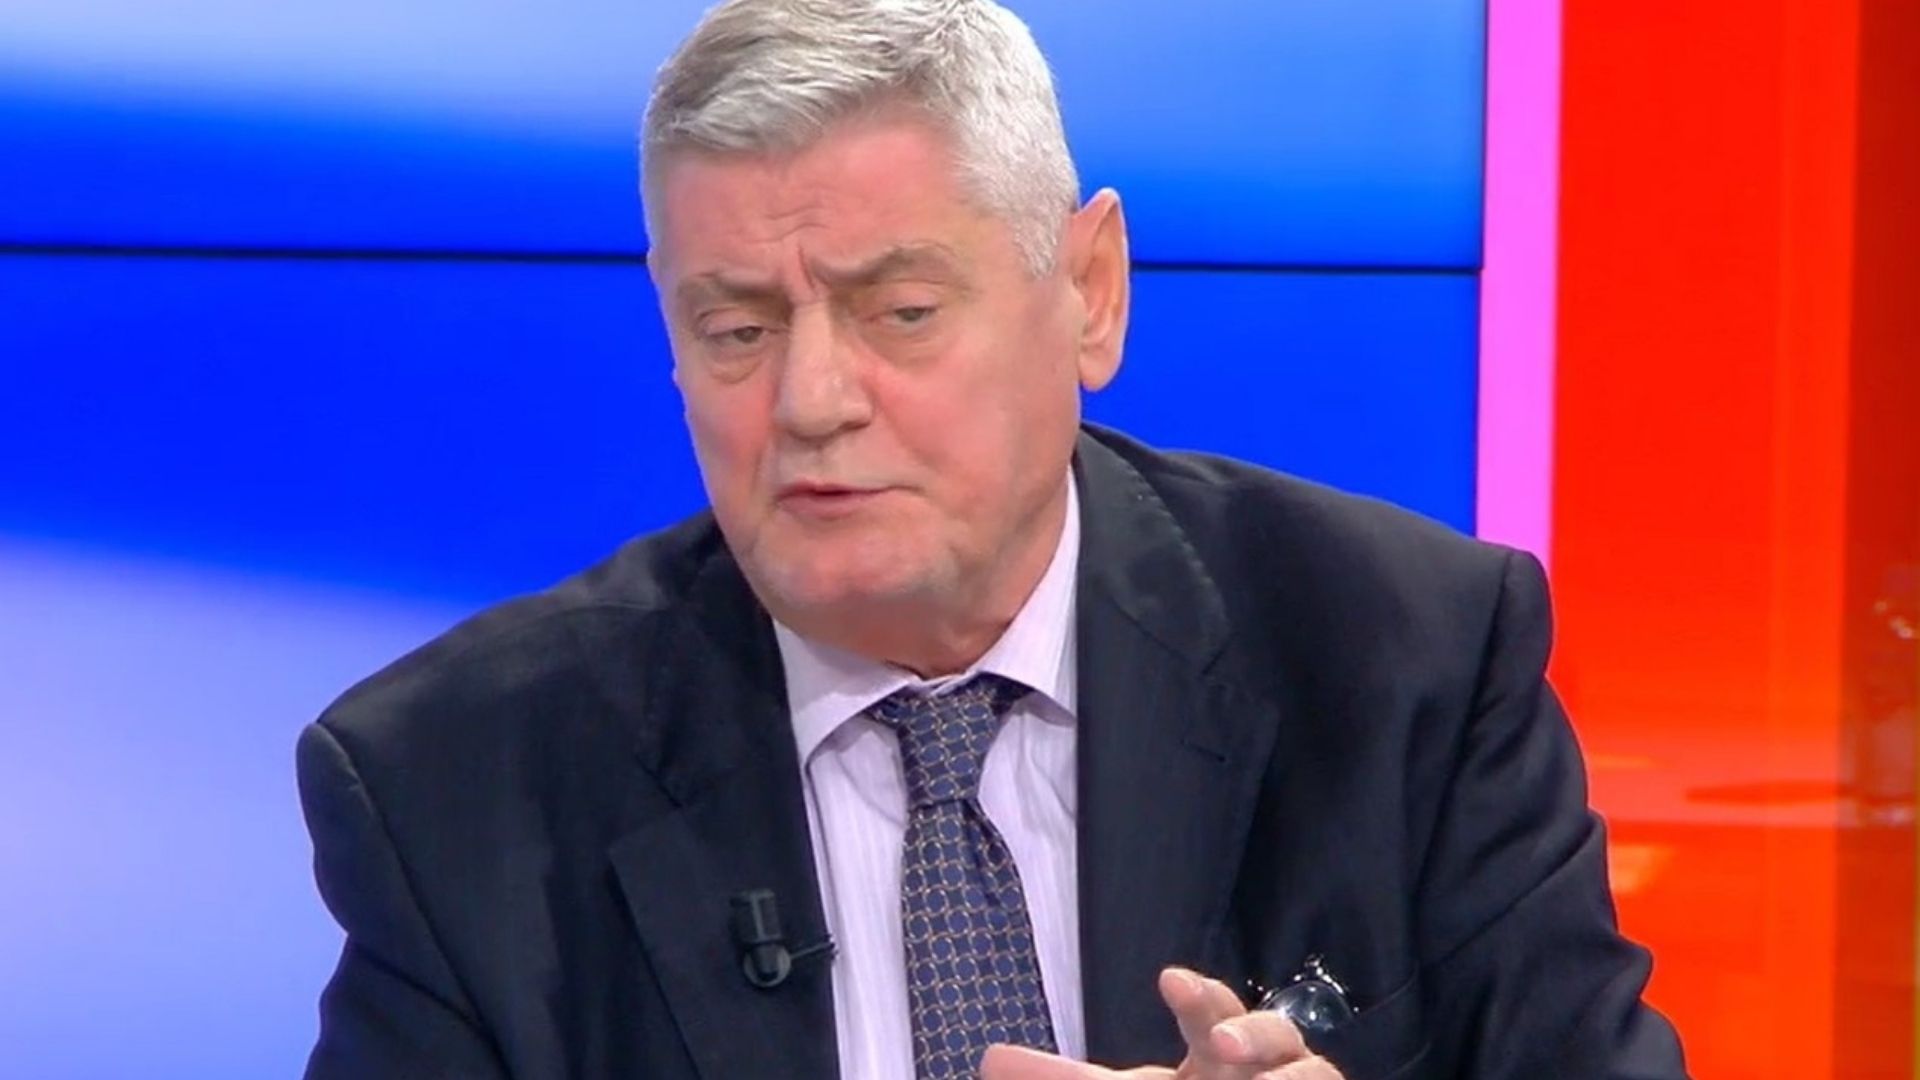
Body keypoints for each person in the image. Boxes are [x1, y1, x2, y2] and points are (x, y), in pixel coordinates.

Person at [296, 1, 1689, 1077]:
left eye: (900, 311)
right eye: (736, 328)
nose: (812, 400)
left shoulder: (1403, 662)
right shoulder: (459, 784)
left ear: (1090, 293)